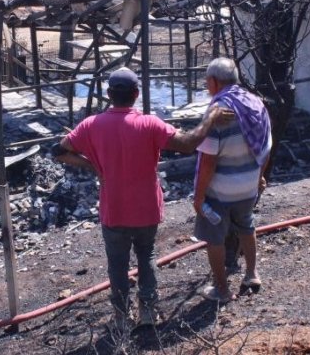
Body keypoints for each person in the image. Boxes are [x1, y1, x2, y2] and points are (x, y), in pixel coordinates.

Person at [54, 67, 231, 328]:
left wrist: (95, 166)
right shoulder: (150, 124)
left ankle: (121, 318)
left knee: (117, 264)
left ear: (109, 94)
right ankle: (148, 313)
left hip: (113, 210)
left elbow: (58, 151)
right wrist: (211, 116)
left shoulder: (91, 125)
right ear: (136, 94)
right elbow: (187, 144)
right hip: (146, 209)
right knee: (146, 257)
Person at [193, 58, 272, 303]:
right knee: (246, 226)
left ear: (215, 82)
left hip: (221, 191)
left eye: (208, 82)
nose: (207, 87)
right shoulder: (255, 103)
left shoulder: (219, 113)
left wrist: (199, 195)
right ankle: (251, 273)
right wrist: (259, 177)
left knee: (214, 237)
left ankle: (222, 290)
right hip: (248, 185)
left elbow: (208, 161)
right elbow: (266, 146)